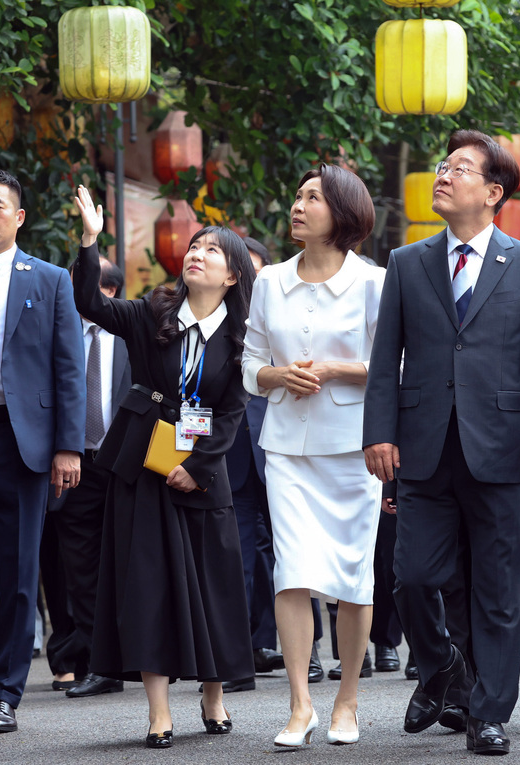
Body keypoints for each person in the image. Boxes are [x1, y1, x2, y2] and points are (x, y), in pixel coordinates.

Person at [363, 129, 520, 756]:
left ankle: (489, 713)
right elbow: (385, 358)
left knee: (499, 591)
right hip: (423, 448)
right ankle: (443, 667)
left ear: (493, 193)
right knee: (412, 578)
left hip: (503, 448)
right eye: (442, 166)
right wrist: (379, 433)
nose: (443, 175)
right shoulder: (408, 262)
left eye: (459, 169)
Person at [73, 184, 254, 749]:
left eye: (211, 250)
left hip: (204, 469)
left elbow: (232, 410)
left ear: (232, 276)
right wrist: (89, 241)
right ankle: (158, 712)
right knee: (147, 583)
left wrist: (197, 465)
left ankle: (213, 695)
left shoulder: (242, 335)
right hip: (143, 463)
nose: (196, 253)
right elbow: (91, 304)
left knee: (213, 582)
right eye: (194, 246)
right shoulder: (152, 311)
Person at [242, 163, 383, 747]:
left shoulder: (374, 282)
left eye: (313, 198)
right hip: (286, 448)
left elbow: (397, 366)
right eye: (297, 196)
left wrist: (334, 369)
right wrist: (276, 375)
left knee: (352, 576)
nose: (298, 206)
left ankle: (347, 700)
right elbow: (250, 363)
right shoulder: (269, 281)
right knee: (292, 572)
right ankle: (300, 705)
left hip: (353, 451)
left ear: (344, 212)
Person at [0, 169, 85, 733]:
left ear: (19, 217)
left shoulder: (50, 281)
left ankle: (4, 693)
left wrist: (68, 447)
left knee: (19, 572)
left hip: (21, 441)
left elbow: (69, 369)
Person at [50, 259, 133, 700]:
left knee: (128, 562)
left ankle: (136, 656)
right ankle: (99, 666)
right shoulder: (56, 334)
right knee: (80, 568)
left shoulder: (133, 334)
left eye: (82, 284)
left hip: (124, 466)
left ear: (109, 291)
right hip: (73, 464)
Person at [221, 236, 285, 694]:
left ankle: (305, 650)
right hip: (231, 453)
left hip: (279, 447)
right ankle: (237, 657)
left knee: (287, 551)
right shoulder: (214, 319)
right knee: (236, 557)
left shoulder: (283, 314)